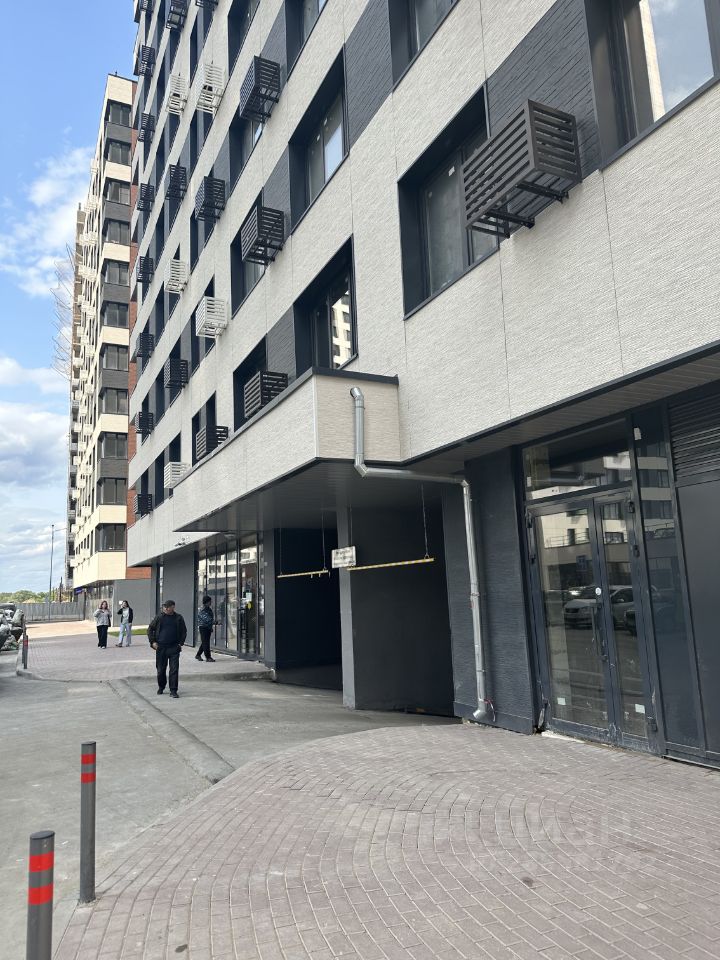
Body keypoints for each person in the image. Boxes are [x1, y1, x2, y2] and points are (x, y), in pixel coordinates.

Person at [147, 600, 187, 698]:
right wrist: (153, 642)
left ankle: (173, 690)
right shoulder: (159, 617)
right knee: (160, 670)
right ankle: (161, 686)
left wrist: (180, 643)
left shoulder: (178, 618)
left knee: (174, 669)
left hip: (174, 647)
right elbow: (150, 629)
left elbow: (184, 631)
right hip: (161, 647)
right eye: (164, 607)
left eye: (167, 607)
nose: (165, 608)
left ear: (173, 607)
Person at [195, 595, 217, 662]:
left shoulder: (208, 608)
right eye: (210, 601)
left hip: (207, 627)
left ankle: (198, 655)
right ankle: (208, 657)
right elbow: (206, 619)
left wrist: (211, 626)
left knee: (205, 642)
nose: (211, 602)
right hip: (203, 628)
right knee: (206, 643)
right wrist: (214, 622)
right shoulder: (202, 609)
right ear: (206, 602)